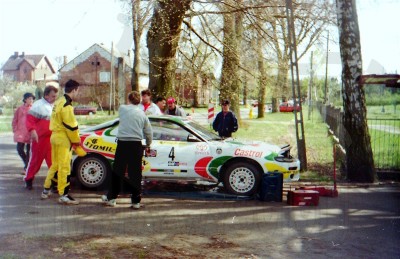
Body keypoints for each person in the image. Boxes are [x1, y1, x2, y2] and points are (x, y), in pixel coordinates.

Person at [102, 91, 152, 210]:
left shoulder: (122, 109)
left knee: (118, 171)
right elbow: (148, 131)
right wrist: (148, 143)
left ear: (128, 100)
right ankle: (136, 201)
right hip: (136, 144)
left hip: (123, 144)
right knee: (135, 173)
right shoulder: (143, 114)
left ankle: (112, 198)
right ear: (139, 101)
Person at [41, 79, 83, 205]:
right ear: (74, 90)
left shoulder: (58, 101)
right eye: (78, 91)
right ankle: (63, 195)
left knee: (55, 165)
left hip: (54, 136)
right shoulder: (67, 105)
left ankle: (46, 189)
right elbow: (71, 126)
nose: (78, 93)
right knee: (64, 167)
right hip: (63, 138)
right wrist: (76, 141)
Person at [24, 85, 58, 190]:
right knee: (35, 162)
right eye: (53, 96)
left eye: (56, 96)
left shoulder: (54, 105)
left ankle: (55, 184)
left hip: (51, 139)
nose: (54, 98)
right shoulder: (38, 105)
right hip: (39, 139)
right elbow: (30, 120)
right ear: (46, 95)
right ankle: (28, 180)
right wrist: (32, 131)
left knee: (53, 162)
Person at [12, 92, 35, 172]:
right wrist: (15, 129)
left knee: (29, 151)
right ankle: (27, 163)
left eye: (32, 99)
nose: (31, 100)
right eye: (29, 99)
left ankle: (27, 168)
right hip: (21, 132)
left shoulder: (34, 109)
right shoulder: (20, 109)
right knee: (19, 149)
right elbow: (15, 119)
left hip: (30, 132)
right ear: (25, 99)